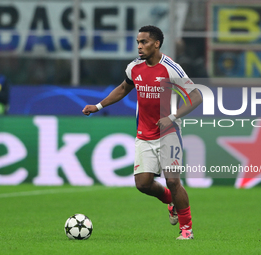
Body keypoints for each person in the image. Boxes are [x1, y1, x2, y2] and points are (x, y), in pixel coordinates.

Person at [82, 25, 202, 240]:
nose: (139, 46)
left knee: (173, 181)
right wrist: (98, 106)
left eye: (144, 42)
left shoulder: (171, 68)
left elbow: (196, 96)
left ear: (156, 44)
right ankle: (170, 200)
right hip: (144, 134)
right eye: (138, 42)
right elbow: (123, 88)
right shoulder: (134, 68)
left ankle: (186, 230)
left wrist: (172, 118)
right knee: (143, 184)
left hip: (169, 133)